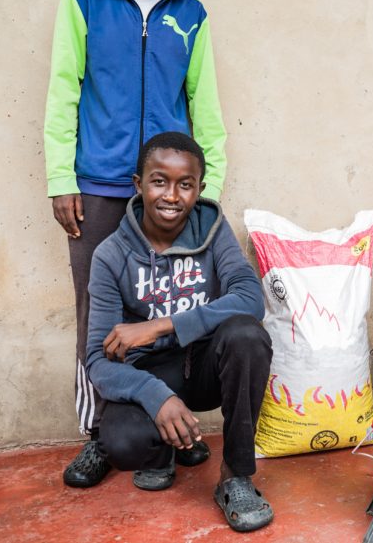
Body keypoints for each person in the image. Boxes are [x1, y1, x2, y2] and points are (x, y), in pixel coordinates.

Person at [43, 0, 227, 488]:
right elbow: (63, 91)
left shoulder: (190, 14)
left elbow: (206, 106)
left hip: (172, 188)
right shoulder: (84, 2)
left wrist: (208, 188)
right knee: (95, 311)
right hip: (99, 183)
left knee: (172, 305)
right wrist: (60, 177)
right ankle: (100, 435)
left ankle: (172, 426)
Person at [86, 131, 273, 532]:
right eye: (159, 181)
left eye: (185, 184)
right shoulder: (110, 255)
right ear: (139, 185)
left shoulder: (212, 230)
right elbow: (98, 361)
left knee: (247, 335)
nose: (172, 196)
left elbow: (250, 298)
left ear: (199, 189)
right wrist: (156, 397)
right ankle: (167, 450)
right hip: (153, 374)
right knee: (122, 444)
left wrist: (160, 325)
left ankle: (235, 475)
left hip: (205, 367)